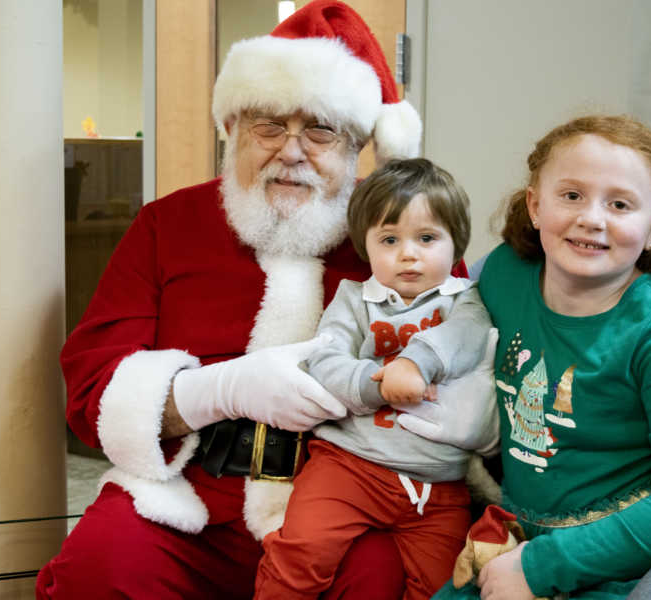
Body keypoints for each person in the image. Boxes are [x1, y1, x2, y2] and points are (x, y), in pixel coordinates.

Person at [35, 2, 497, 598]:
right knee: (100, 567)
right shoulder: (166, 225)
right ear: (232, 130)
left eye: (321, 129)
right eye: (268, 125)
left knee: (381, 578)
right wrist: (215, 390)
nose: (291, 150)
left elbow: (473, 355)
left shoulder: (410, 238)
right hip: (187, 498)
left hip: (354, 501)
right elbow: (92, 389)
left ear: (359, 144)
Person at [432, 115, 651, 600]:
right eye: (571, 195)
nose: (592, 218)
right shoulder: (502, 275)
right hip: (521, 540)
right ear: (535, 205)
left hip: (642, 561)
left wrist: (539, 567)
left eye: (619, 204)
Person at [254, 158, 498, 599]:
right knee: (300, 553)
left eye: (427, 238)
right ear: (366, 246)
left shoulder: (465, 301)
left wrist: (417, 362)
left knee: (445, 586)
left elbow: (468, 337)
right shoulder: (354, 299)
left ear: (456, 244)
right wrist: (375, 383)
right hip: (349, 467)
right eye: (390, 239)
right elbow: (324, 361)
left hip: (437, 488)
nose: (408, 253)